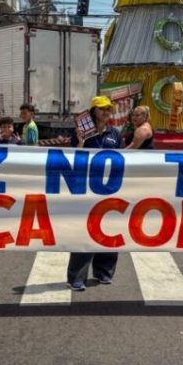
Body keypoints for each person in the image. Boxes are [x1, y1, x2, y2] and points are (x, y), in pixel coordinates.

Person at [66, 96, 123, 291]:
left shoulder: (115, 134)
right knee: (84, 234)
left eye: (109, 109)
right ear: (93, 111)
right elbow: (73, 158)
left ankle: (104, 272)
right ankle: (76, 278)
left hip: (109, 192)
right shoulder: (82, 133)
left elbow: (122, 161)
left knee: (109, 231)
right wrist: (81, 142)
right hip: (86, 191)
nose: (106, 112)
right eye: (102, 109)